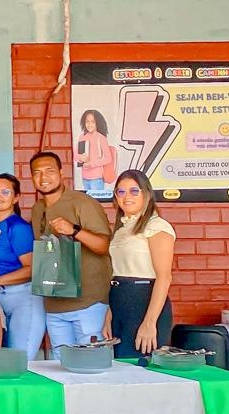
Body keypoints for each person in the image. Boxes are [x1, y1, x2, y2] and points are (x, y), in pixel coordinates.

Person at [29, 151, 113, 353]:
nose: (43, 177)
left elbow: (103, 246)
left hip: (87, 303)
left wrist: (74, 230)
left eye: (49, 171)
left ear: (61, 172)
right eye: (37, 173)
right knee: (60, 366)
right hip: (54, 303)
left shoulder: (82, 203)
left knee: (91, 365)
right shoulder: (37, 209)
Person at [0, 173, 47, 360]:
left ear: (16, 197)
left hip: (23, 299)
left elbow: (31, 269)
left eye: (5, 192)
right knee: (1, 360)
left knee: (20, 361)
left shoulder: (18, 228)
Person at [105, 170, 174, 358]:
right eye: (121, 192)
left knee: (144, 369)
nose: (127, 196)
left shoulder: (156, 226)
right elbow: (117, 272)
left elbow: (164, 277)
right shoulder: (121, 228)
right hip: (120, 301)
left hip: (144, 301)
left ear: (146, 193)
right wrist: (110, 312)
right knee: (123, 369)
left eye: (134, 191)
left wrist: (150, 322)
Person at [75, 109, 116, 191]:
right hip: (84, 177)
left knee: (96, 202)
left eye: (93, 122)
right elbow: (75, 155)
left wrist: (92, 163)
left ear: (98, 123)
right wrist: (80, 158)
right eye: (87, 121)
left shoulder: (101, 138)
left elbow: (108, 158)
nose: (89, 124)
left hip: (97, 178)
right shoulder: (82, 137)